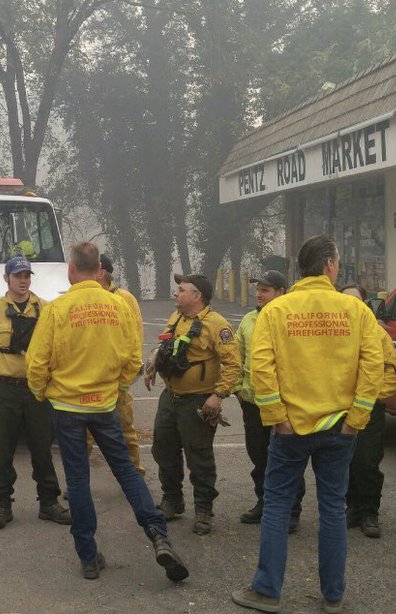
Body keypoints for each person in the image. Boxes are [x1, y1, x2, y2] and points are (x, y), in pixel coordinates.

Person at [231, 235, 383, 614]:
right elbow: (372, 366)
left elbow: (261, 369)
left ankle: (266, 591)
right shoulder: (357, 311)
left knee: (278, 504)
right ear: (330, 265)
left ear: (301, 268)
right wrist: (357, 419)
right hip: (340, 428)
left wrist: (276, 418)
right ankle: (333, 597)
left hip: (291, 429)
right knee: (332, 507)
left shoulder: (276, 311)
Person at [26, 241, 188, 582]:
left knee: (78, 479)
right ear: (99, 269)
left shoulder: (57, 309)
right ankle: (157, 534)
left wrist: (42, 393)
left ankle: (88, 556)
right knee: (127, 471)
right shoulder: (118, 306)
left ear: (72, 269)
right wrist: (114, 390)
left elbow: (37, 363)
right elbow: (132, 357)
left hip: (67, 407)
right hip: (105, 404)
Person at [0, 255, 70, 530]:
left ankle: (49, 502)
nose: (23, 281)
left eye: (27, 276)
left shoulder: (45, 308)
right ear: (7, 279)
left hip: (37, 389)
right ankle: (2, 504)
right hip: (5, 389)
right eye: (18, 276)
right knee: (2, 449)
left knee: (42, 447)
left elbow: (56, 345)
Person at [144, 272, 240, 535]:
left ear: (197, 296)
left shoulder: (216, 325)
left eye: (182, 289)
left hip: (198, 401)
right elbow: (165, 347)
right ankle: (172, 500)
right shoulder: (176, 318)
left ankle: (204, 510)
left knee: (199, 458)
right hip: (171, 397)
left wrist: (217, 396)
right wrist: (153, 363)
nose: (177, 293)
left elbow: (233, 365)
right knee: (164, 451)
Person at [235, 270, 306, 532]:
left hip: (284, 403)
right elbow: (238, 357)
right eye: (257, 289)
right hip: (253, 403)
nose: (258, 293)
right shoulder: (249, 320)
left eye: (265, 289)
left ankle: (292, 510)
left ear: (280, 293)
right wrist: (239, 390)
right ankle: (264, 502)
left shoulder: (292, 319)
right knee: (259, 457)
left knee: (288, 458)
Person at [339, 284, 396, 539]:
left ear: (365, 303)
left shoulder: (376, 332)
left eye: (356, 300)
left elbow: (391, 371)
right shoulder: (335, 331)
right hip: (339, 407)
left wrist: (374, 398)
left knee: (367, 460)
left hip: (368, 408)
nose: (350, 305)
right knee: (344, 462)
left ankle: (369, 512)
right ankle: (352, 508)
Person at [86, 253, 146, 476]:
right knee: (84, 434)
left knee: (124, 428)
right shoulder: (86, 296)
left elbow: (135, 336)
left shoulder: (124, 298)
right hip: (89, 377)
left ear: (101, 272)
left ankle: (134, 473)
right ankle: (79, 478)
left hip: (115, 377)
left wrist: (126, 376)